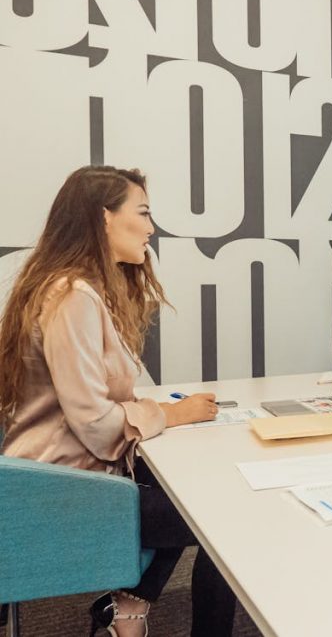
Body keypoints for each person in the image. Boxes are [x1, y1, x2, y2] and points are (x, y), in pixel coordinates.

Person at [0, 166, 236, 636]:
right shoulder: (73, 297)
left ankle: (127, 612)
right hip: (64, 493)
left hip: (70, 478)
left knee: (194, 484)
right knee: (222, 515)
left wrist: (161, 413)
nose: (151, 228)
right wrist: (170, 413)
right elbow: (97, 424)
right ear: (103, 218)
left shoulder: (75, 289)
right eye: (143, 213)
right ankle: (131, 611)